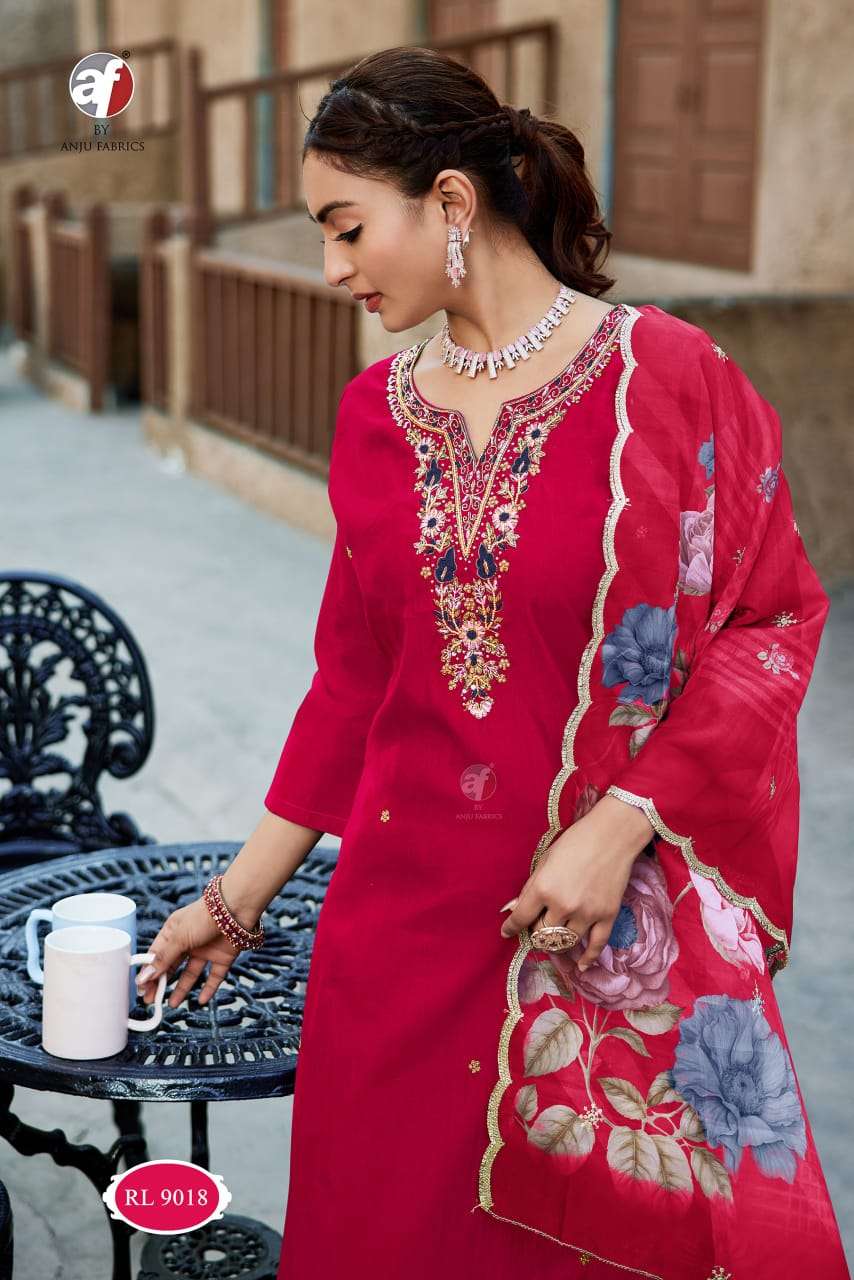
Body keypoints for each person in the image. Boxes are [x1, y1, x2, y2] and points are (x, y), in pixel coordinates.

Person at [137, 45, 850, 1280]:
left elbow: (769, 618)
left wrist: (621, 821)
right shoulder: (373, 418)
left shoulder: (669, 380)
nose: (333, 267)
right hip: (395, 945)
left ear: (453, 202)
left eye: (346, 227)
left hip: (598, 936)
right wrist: (231, 902)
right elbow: (351, 685)